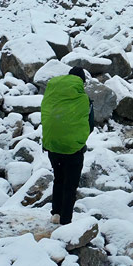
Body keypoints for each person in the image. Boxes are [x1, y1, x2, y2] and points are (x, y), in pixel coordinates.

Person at [41, 68, 94, 225]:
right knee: (70, 185)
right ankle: (65, 221)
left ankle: (55, 214)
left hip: (53, 147)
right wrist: (78, 138)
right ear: (81, 82)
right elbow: (90, 125)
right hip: (73, 150)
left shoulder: (52, 96)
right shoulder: (84, 100)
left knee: (59, 179)